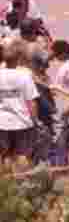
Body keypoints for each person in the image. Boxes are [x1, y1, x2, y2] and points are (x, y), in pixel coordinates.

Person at [0, 42, 38, 171]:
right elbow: (32, 102)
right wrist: (35, 121)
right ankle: (23, 182)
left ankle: (9, 183)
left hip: (3, 123)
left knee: (6, 155)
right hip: (22, 123)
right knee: (22, 155)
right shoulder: (24, 76)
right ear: (17, 59)